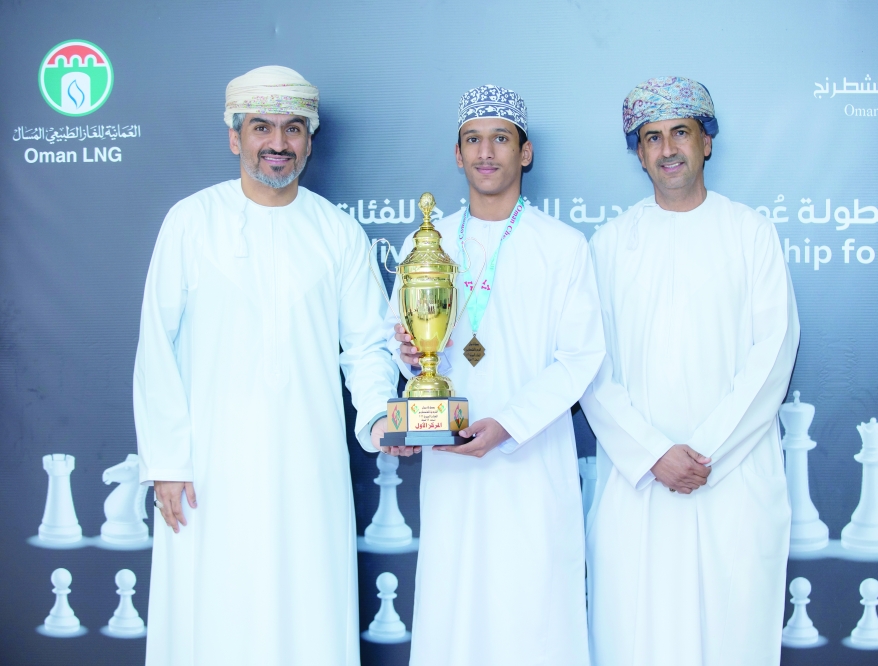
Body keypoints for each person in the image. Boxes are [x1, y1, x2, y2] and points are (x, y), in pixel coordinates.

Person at [134, 65, 398, 666]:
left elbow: (366, 346)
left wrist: (380, 417)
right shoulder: (189, 222)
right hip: (207, 470)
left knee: (306, 613)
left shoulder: (338, 233)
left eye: (293, 129)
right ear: (235, 136)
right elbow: (157, 346)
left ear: (310, 139)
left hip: (308, 469)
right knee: (212, 616)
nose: (277, 143)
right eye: (261, 127)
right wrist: (168, 462)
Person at [377, 84, 603, 666]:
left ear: (523, 152)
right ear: (457, 154)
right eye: (473, 140)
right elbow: (398, 345)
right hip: (450, 463)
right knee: (456, 611)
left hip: (531, 462)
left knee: (534, 612)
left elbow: (579, 357)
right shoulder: (426, 243)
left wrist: (509, 423)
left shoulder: (563, 246)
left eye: (500, 139)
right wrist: (409, 352)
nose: (486, 152)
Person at [580, 76, 800, 666]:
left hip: (731, 477)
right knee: (637, 635)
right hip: (640, 483)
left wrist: (702, 452)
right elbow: (590, 366)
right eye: (652, 137)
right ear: (639, 152)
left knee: (731, 633)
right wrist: (653, 453)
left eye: (681, 132)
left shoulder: (750, 232)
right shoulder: (609, 244)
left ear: (707, 142)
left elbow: (773, 352)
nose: (668, 148)